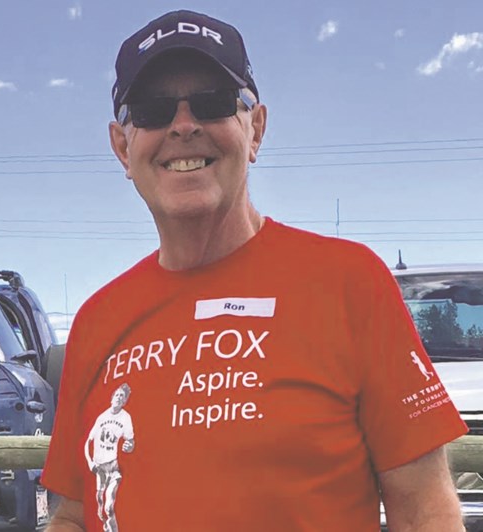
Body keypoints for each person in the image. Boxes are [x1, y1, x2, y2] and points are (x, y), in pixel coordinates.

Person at [41, 9, 468, 531]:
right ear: (122, 147)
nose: (183, 126)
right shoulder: (96, 320)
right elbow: (73, 515)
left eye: (213, 102)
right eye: (152, 110)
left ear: (256, 128)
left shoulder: (348, 282)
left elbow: (424, 509)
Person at [83, 383, 134, 532]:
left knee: (109, 506)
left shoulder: (126, 418)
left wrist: (129, 446)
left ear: (125, 401)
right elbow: (88, 441)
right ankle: (107, 526)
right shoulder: (102, 417)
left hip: (113, 466)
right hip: (99, 468)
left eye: (122, 396)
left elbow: (130, 441)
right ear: (112, 398)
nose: (119, 398)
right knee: (100, 506)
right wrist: (89, 462)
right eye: (117, 395)